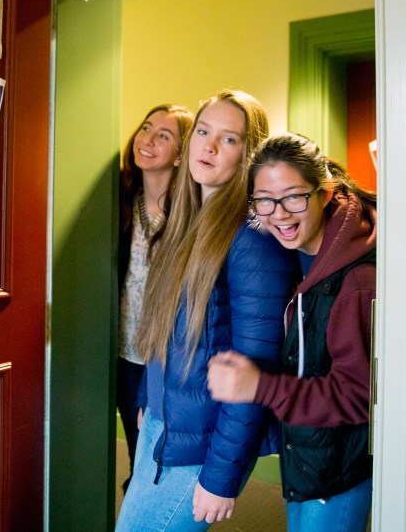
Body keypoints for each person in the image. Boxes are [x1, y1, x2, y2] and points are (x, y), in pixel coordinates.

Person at [116, 90, 300, 531]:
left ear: (248, 154)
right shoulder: (186, 222)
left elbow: (255, 368)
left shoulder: (253, 238)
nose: (209, 146)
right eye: (203, 131)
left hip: (201, 447)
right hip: (162, 426)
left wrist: (221, 477)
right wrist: (147, 399)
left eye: (229, 139)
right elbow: (167, 333)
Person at [206, 132, 377, 532]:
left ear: (325, 192)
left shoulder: (355, 280)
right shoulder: (295, 254)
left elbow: (357, 397)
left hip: (337, 469)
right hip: (304, 455)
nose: (278, 213)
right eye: (264, 199)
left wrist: (259, 388)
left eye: (294, 196)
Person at [118, 103, 194, 492]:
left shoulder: (190, 215)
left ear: (181, 156)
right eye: (146, 128)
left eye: (163, 135)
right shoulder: (117, 200)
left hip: (165, 359)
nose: (146, 139)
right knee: (136, 453)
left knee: (159, 459)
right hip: (121, 354)